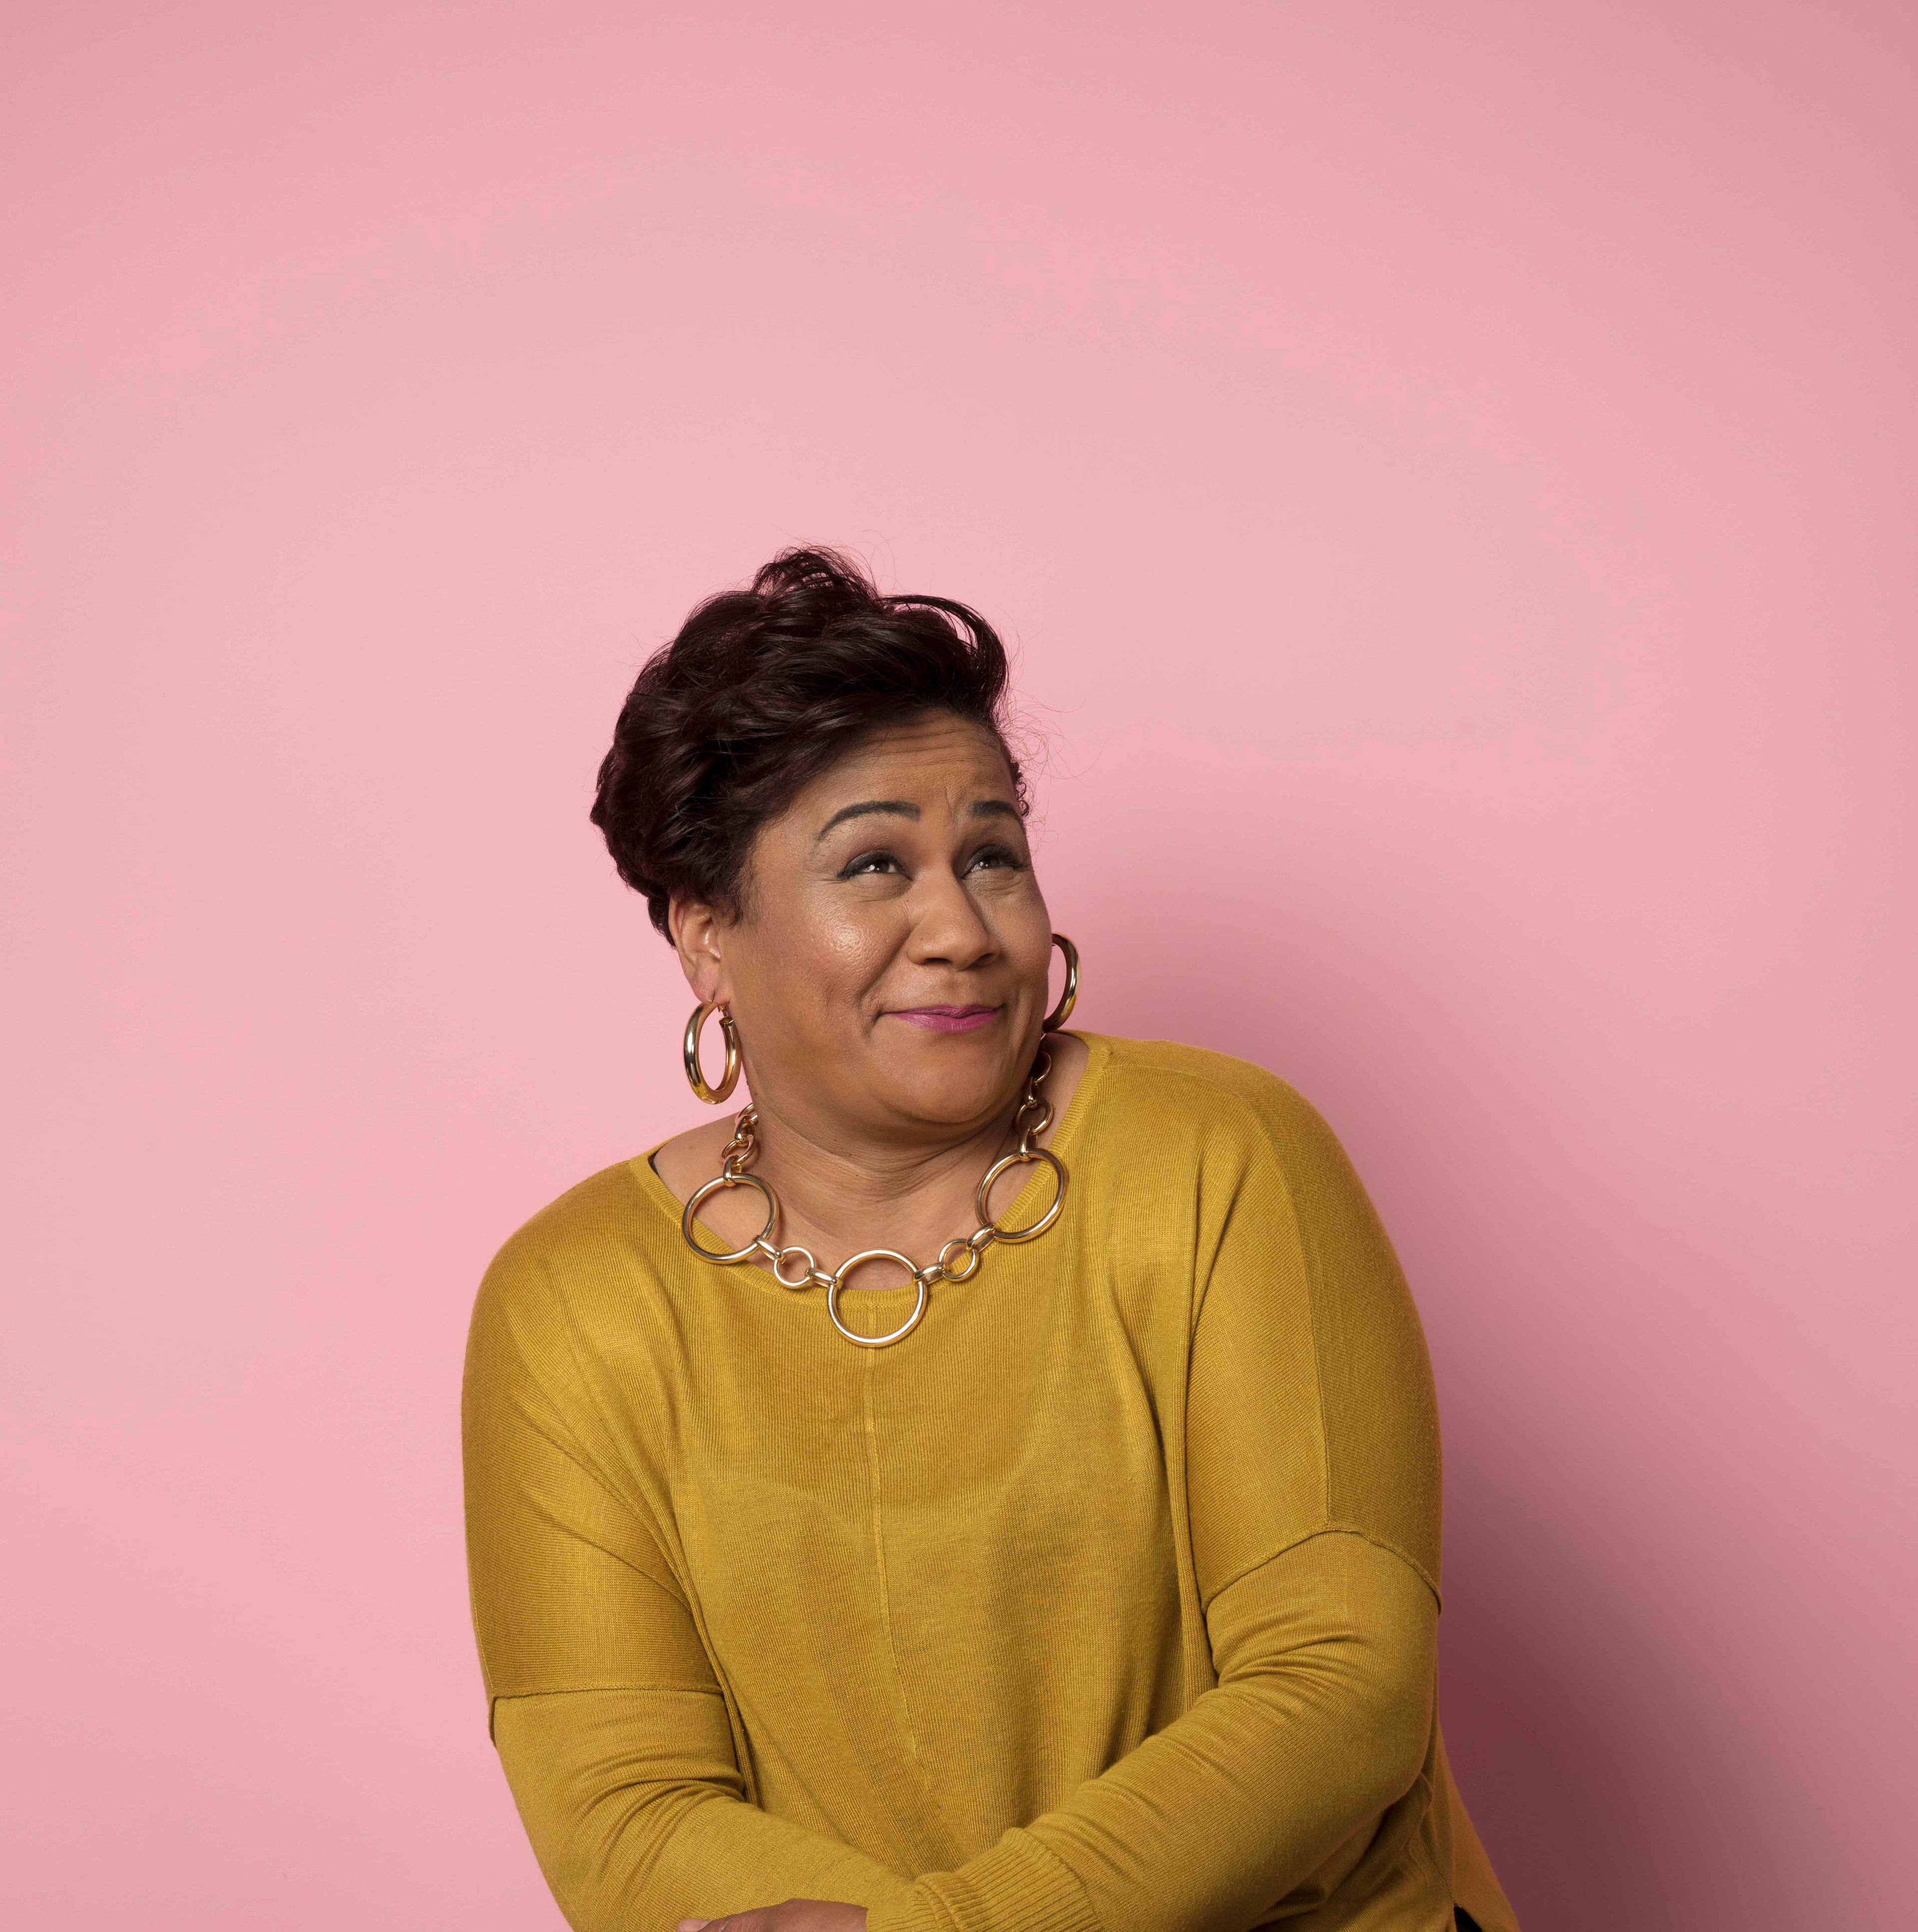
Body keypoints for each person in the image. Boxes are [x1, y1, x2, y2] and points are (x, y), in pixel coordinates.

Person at [461, 548, 1520, 1932]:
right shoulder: (574, 1304)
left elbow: (1340, 1684)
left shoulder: (1221, 1157)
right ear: (708, 936)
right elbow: (623, 1808)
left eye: (992, 857)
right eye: (876, 865)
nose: (961, 929)